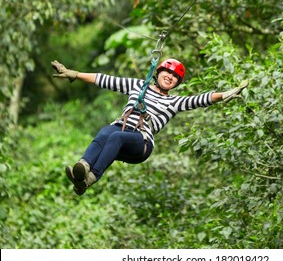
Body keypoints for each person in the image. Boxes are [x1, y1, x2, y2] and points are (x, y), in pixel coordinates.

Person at [51, 58, 248, 195]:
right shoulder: (138, 86)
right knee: (106, 131)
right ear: (158, 73)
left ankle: (91, 177)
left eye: (174, 77)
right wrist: (74, 74)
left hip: (141, 143)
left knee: (115, 136)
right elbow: (103, 79)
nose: (169, 77)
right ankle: (82, 169)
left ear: (176, 83)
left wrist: (224, 94)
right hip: (121, 130)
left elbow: (201, 99)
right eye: (167, 73)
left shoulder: (174, 102)